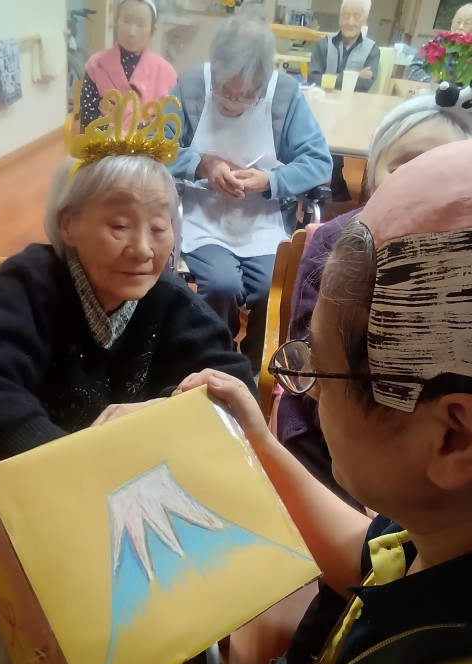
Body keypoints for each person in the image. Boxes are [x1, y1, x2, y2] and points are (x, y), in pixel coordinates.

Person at [0, 92, 255, 664]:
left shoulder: (168, 300)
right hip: (11, 494)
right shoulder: (31, 281)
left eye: (160, 226)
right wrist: (74, 466)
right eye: (118, 223)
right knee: (7, 651)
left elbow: (231, 385)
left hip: (120, 505)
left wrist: (155, 419)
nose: (143, 247)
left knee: (141, 625)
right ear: (69, 224)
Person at [142, 137, 472, 664]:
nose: (309, 392)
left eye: (321, 367)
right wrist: (258, 441)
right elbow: (372, 558)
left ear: (451, 437)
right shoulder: (446, 532)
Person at [277, 84, 472, 508]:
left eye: (444, 169)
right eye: (404, 168)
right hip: (332, 436)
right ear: (372, 173)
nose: (421, 185)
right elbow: (316, 371)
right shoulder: (337, 244)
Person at [166, 15, 332, 373]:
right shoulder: (191, 85)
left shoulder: (284, 94)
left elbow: (319, 162)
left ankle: (257, 370)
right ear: (215, 68)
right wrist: (201, 164)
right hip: (202, 215)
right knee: (221, 285)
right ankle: (213, 360)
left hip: (262, 219)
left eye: (248, 95)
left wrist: (270, 181)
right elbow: (155, 147)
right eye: (225, 90)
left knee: (273, 289)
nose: (233, 103)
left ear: (265, 81)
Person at [308, 0, 380, 201]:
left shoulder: (372, 49)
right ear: (339, 18)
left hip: (354, 109)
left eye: (356, 16)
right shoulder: (323, 44)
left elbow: (366, 85)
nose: (350, 21)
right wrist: (354, 76)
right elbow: (314, 78)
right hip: (322, 107)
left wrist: (331, 79)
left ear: (364, 19)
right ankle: (330, 179)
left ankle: (335, 177)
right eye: (346, 15)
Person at [80, 0, 176, 130]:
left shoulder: (167, 73)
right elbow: (88, 116)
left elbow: (169, 124)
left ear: (152, 30)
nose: (132, 32)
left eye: (141, 24)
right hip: (103, 141)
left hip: (149, 142)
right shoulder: (96, 65)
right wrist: (112, 135)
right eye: (127, 20)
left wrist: (136, 135)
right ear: (116, 21)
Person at [406, 3, 472, 82]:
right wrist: (431, 83)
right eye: (458, 22)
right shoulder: (435, 44)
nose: (460, 27)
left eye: (467, 23)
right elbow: (412, 71)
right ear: (452, 24)